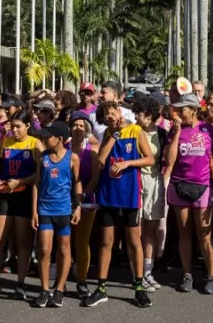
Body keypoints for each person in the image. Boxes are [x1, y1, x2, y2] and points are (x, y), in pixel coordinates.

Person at [84, 99, 154, 308]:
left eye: (111, 114)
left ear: (118, 111)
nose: (110, 119)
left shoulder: (135, 131)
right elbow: (101, 160)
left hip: (130, 194)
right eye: (105, 118)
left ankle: (139, 287)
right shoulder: (108, 134)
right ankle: (101, 287)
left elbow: (150, 159)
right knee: (106, 241)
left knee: (134, 241)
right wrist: (113, 136)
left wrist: (128, 163)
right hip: (108, 193)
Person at [164, 92, 213, 294]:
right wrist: (177, 132)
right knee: (184, 232)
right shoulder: (174, 129)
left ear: (194, 110)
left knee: (204, 233)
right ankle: (187, 274)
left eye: (183, 109)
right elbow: (169, 160)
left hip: (203, 185)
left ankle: (211, 276)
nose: (179, 112)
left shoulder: (208, 129)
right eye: (177, 109)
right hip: (179, 184)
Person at [0, 110, 41, 300]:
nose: (14, 130)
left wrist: (22, 182)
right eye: (12, 126)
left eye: (18, 126)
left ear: (27, 127)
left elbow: (40, 173)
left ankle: (20, 283)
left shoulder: (34, 144)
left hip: (24, 196)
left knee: (23, 242)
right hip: (5, 196)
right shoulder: (5, 142)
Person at [31, 121, 82, 307]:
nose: (44, 139)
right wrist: (34, 211)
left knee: (64, 249)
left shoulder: (72, 158)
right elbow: (36, 183)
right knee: (44, 250)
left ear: (59, 139)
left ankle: (59, 289)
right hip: (45, 209)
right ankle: (44, 289)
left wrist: (78, 205)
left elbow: (77, 182)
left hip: (64, 210)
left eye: (48, 137)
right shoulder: (42, 158)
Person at [133, 95, 168, 291]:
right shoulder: (132, 131)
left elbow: (166, 160)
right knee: (135, 228)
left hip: (155, 182)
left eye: (139, 113)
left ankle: (148, 272)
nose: (136, 116)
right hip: (136, 181)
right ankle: (137, 273)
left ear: (149, 115)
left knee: (151, 229)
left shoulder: (162, 134)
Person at [68, 111, 100, 298]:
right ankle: (60, 281)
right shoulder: (63, 147)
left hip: (87, 200)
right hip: (64, 200)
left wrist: (83, 196)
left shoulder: (92, 150)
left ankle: (82, 279)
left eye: (82, 125)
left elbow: (95, 178)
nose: (78, 128)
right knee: (64, 241)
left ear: (87, 128)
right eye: (75, 125)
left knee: (81, 241)